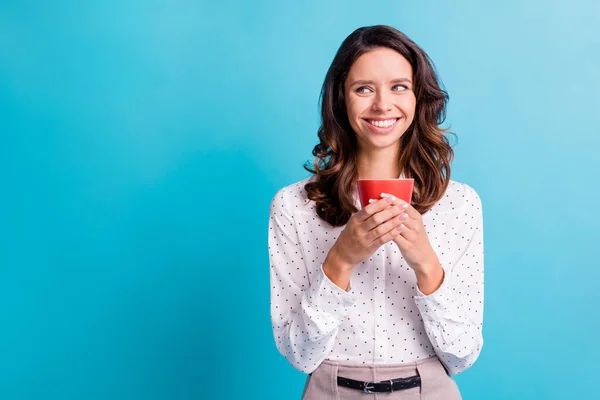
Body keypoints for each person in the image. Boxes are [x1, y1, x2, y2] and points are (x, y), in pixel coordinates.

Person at [268, 25, 484, 399]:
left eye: (399, 86)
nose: (383, 105)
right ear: (341, 100)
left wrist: (426, 264)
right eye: (364, 88)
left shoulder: (460, 204)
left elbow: (462, 355)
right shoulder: (293, 206)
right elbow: (300, 354)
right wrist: (340, 260)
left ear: (418, 98)